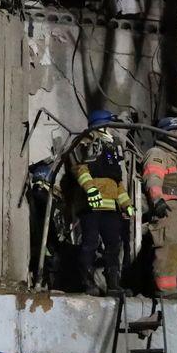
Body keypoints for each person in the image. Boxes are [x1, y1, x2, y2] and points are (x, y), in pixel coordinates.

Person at [71, 109, 134, 296]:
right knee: (90, 243)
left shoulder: (112, 147)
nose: (113, 128)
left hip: (111, 207)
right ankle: (88, 283)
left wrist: (126, 203)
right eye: (110, 124)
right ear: (102, 124)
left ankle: (113, 285)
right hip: (92, 205)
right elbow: (80, 169)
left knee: (114, 245)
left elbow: (117, 181)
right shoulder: (86, 141)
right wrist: (90, 189)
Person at [140, 117, 177, 297]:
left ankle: (170, 288)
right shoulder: (157, 153)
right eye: (172, 130)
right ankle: (163, 289)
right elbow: (153, 178)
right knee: (167, 245)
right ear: (162, 133)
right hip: (166, 207)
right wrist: (157, 200)